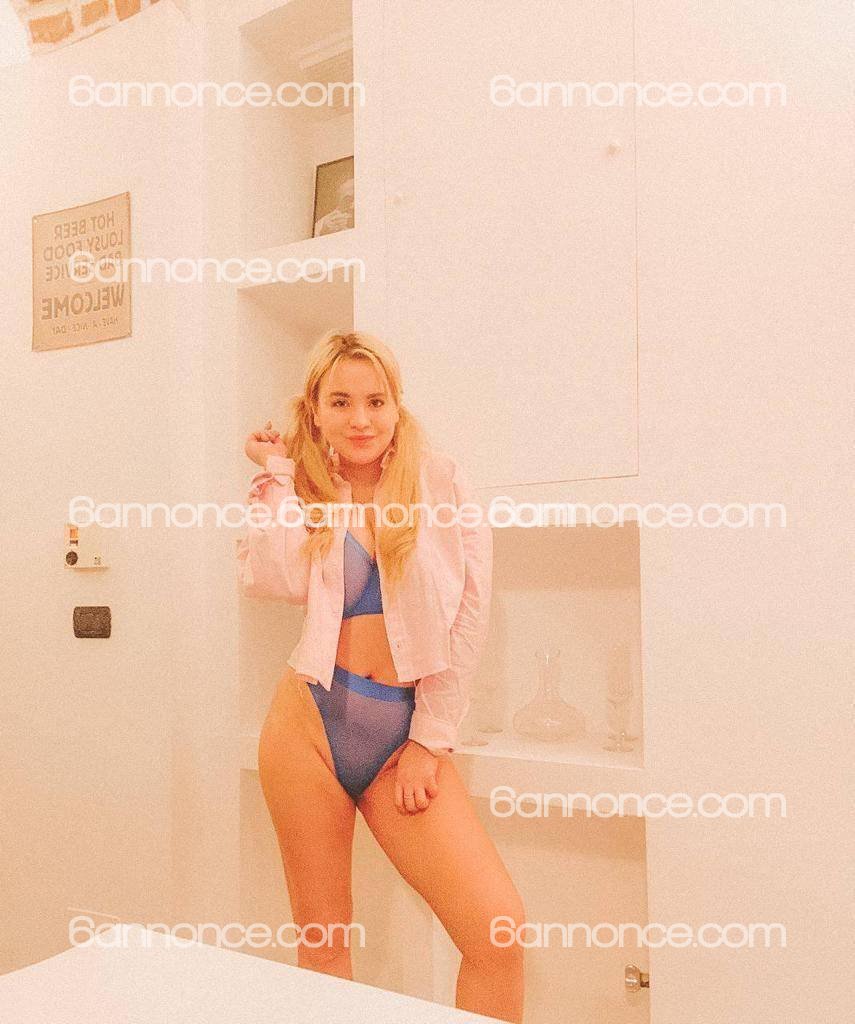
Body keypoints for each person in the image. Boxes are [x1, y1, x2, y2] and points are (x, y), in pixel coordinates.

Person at [237, 330, 525, 1023]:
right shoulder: (304, 487)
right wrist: (276, 472)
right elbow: (269, 580)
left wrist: (430, 738)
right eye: (340, 402)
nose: (360, 419)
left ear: (397, 405)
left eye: (375, 401)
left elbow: (469, 616)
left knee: (498, 934)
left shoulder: (440, 483)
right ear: (314, 410)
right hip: (306, 728)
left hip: (401, 738)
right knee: (323, 948)